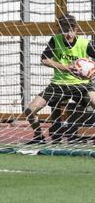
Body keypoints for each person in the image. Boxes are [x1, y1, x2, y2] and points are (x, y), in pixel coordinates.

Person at [21, 14, 95, 145]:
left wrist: (91, 72)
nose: (69, 34)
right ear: (60, 30)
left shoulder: (84, 43)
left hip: (82, 85)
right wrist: (65, 68)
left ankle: (74, 129)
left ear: (76, 29)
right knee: (30, 110)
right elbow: (44, 60)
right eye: (65, 30)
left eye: (71, 30)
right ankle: (39, 137)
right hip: (58, 84)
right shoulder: (55, 40)